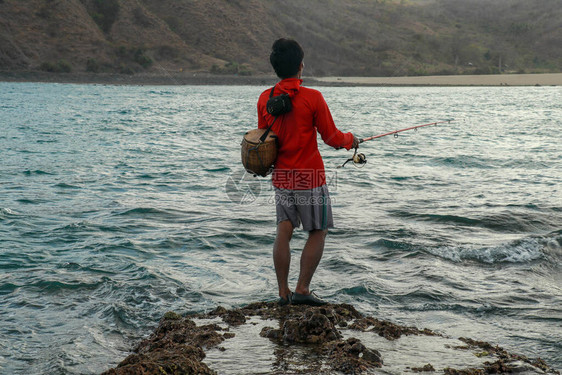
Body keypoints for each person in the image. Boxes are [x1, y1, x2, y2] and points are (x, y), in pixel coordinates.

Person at [257, 38, 359, 306]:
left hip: (281, 177)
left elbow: (263, 138)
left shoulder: (264, 99)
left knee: (284, 230)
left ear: (276, 69)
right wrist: (352, 140)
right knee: (318, 230)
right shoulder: (313, 97)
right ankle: (301, 290)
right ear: (301, 66)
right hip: (309, 176)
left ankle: (282, 294)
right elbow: (333, 137)